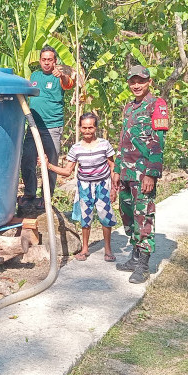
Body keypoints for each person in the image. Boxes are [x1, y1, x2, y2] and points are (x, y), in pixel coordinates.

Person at [113, 66, 168, 284]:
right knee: (127, 213)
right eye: (133, 81)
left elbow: (158, 142)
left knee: (143, 215)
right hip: (126, 171)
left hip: (143, 172)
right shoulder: (129, 107)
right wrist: (117, 169)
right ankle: (134, 257)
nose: (136, 85)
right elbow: (123, 139)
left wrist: (151, 174)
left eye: (141, 81)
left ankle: (143, 265)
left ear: (149, 82)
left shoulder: (157, 105)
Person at [44, 112, 118, 262]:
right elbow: (67, 171)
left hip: (103, 185)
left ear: (96, 127)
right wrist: (49, 165)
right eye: (84, 128)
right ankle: (85, 249)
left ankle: (108, 249)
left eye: (90, 127)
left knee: (105, 216)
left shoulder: (104, 145)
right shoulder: (76, 148)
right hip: (84, 186)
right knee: (86, 217)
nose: (87, 131)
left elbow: (112, 166)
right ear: (80, 128)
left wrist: (114, 187)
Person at [19, 46, 75, 209]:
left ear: (55, 61)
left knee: (50, 163)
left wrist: (62, 75)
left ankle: (47, 197)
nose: (46, 63)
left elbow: (68, 84)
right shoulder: (34, 76)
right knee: (27, 159)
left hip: (52, 127)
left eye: (50, 59)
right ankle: (29, 193)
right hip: (34, 126)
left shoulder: (59, 76)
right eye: (44, 59)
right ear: (40, 60)